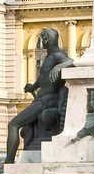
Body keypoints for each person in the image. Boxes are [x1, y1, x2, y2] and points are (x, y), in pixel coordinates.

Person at [5, 28, 73, 163]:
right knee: (23, 127)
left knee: (13, 124)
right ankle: (16, 159)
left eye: (43, 38)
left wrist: (59, 67)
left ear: (48, 39)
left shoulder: (57, 55)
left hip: (47, 101)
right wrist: (33, 87)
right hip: (41, 99)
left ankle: (9, 162)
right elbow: (43, 78)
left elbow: (73, 62)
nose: (42, 41)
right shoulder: (48, 57)